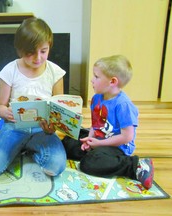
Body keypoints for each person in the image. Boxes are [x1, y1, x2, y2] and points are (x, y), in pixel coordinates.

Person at [0, 17, 67, 178]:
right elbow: (0, 107)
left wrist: (53, 126)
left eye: (43, 51)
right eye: (30, 53)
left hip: (42, 130)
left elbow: (58, 110)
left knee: (56, 166)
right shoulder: (9, 71)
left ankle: (26, 147)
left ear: (49, 47)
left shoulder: (56, 72)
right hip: (14, 127)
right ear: (20, 50)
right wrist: (6, 113)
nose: (38, 58)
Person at [62, 55, 154, 189]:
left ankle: (135, 166)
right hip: (100, 138)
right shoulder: (97, 98)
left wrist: (99, 144)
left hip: (118, 147)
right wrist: (90, 138)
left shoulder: (123, 105)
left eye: (96, 77)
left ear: (112, 81)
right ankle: (96, 153)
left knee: (89, 164)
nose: (92, 80)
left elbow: (126, 137)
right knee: (68, 143)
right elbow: (96, 124)